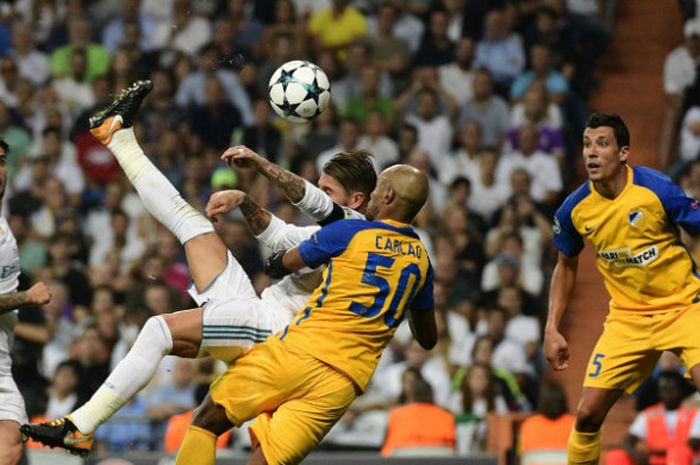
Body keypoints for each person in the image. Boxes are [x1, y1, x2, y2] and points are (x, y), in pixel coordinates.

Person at [21, 80, 376, 456]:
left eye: (329, 191)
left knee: (158, 329)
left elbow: (310, 202)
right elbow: (279, 235)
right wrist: (244, 199)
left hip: (277, 334)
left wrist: (260, 164)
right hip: (259, 309)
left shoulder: (359, 231)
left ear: (356, 200)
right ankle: (118, 137)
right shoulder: (338, 233)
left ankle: (81, 426)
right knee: (191, 223)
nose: (321, 196)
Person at [173, 164, 436, 465]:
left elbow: (283, 263)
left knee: (208, 419)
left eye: (377, 190)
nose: (372, 196)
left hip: (298, 353)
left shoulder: (349, 231)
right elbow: (427, 339)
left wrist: (278, 263)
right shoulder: (423, 262)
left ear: (388, 195)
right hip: (343, 384)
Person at [544, 112, 700, 464]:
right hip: (628, 320)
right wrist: (552, 326)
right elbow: (565, 265)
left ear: (624, 153)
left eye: (602, 144)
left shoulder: (656, 189)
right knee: (586, 416)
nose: (591, 153)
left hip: (685, 307)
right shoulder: (574, 209)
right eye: (586, 144)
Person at [0, 139, 52, 465]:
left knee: (11, 445)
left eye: (2, 160)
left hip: (0, 363)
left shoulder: (5, 231)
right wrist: (28, 297)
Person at [605, 370, 700, 465]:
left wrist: (658, 452)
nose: (667, 393)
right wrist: (636, 454)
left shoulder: (694, 412)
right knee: (616, 456)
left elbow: (694, 443)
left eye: (671, 389)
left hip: (683, 459)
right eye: (664, 389)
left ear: (680, 390)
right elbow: (627, 440)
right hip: (653, 460)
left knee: (678, 453)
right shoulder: (649, 414)